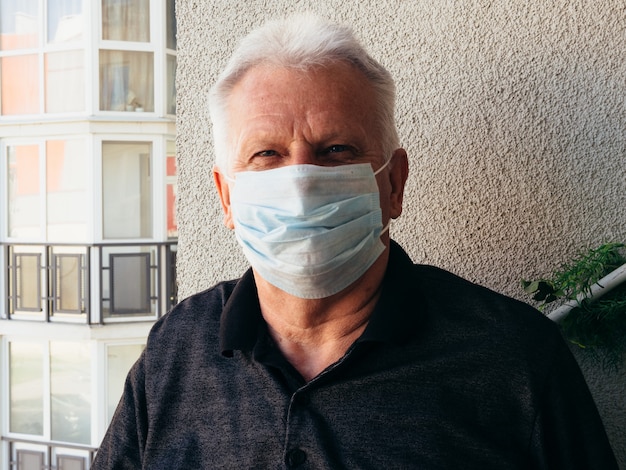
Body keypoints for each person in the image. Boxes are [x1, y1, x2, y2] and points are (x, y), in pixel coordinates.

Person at [93, 14, 618, 469]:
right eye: (267, 154)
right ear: (226, 197)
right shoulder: (175, 350)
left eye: (337, 149)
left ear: (393, 184)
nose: (300, 182)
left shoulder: (515, 357)